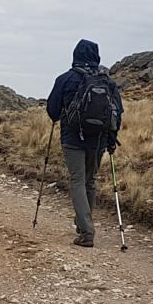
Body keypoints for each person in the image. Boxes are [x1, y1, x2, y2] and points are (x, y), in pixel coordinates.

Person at [45, 39, 123, 247]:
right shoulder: (107, 81)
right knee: (90, 181)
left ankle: (86, 231)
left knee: (77, 180)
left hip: (72, 139)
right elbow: (118, 112)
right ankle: (83, 225)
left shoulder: (65, 79)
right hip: (98, 139)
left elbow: (52, 111)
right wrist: (111, 139)